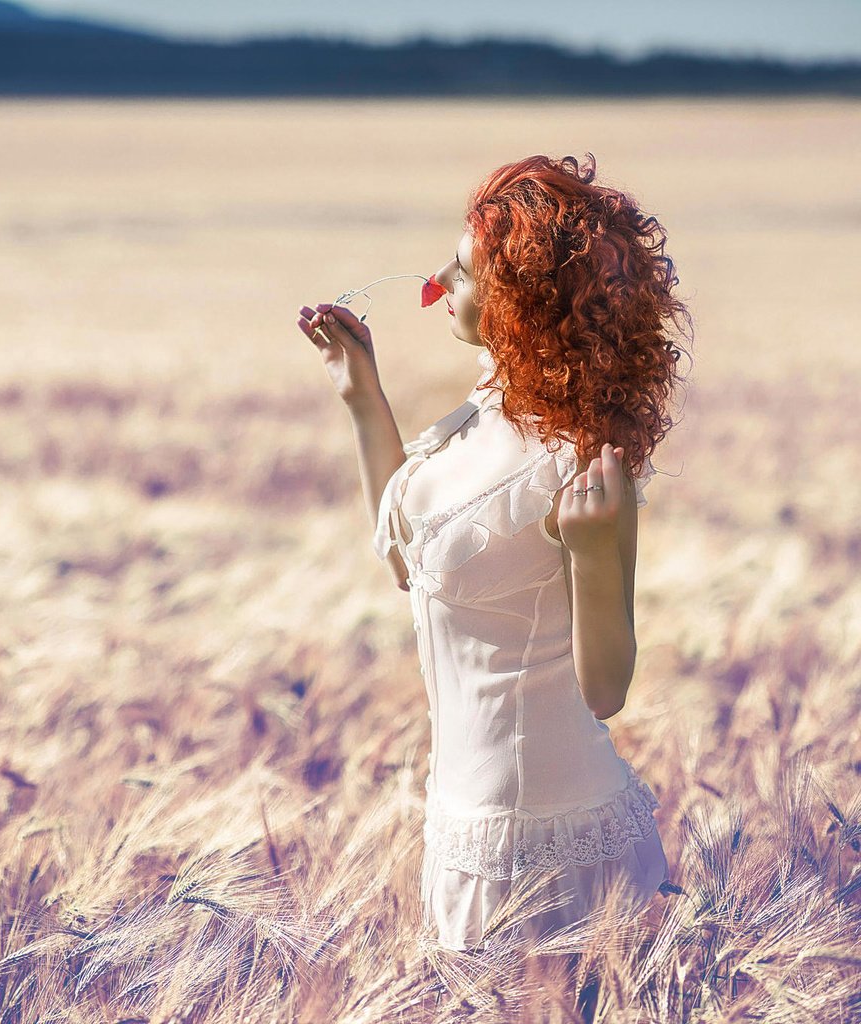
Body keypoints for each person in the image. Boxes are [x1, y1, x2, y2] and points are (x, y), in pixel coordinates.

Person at [295, 153, 692, 955]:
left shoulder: (582, 458)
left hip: (549, 848)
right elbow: (409, 558)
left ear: (521, 300)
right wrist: (360, 393)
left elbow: (608, 689)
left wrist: (589, 554)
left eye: (464, 270)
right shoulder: (483, 409)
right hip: (461, 828)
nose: (437, 282)